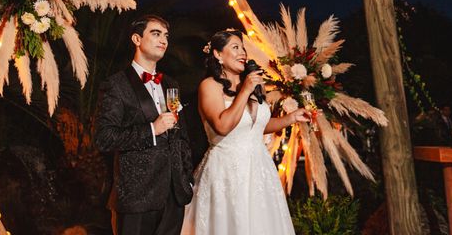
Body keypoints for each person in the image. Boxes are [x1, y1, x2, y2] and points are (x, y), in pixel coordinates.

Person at [181, 29, 308, 235]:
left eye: (243, 48)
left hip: (259, 169)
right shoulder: (210, 86)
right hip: (226, 171)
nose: (243, 53)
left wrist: (291, 118)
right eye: (235, 47)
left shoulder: (255, 85)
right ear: (218, 54)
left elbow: (255, 127)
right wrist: (245, 91)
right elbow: (222, 125)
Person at [95, 15, 194, 235]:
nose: (164, 41)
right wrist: (152, 129)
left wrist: (186, 178)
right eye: (156, 33)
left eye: (166, 36)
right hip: (136, 197)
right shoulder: (116, 85)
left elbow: (182, 137)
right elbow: (104, 138)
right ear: (136, 39)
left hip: (173, 196)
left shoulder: (170, 83)